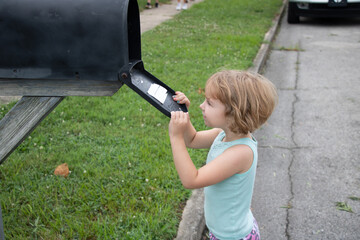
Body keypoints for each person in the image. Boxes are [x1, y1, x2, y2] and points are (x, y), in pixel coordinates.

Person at [168, 70, 278, 240]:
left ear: (234, 114)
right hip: (223, 231)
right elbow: (193, 139)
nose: (201, 106)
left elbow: (192, 180)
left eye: (210, 103)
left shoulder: (240, 153)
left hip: (232, 237)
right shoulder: (223, 133)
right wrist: (182, 113)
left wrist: (175, 137)